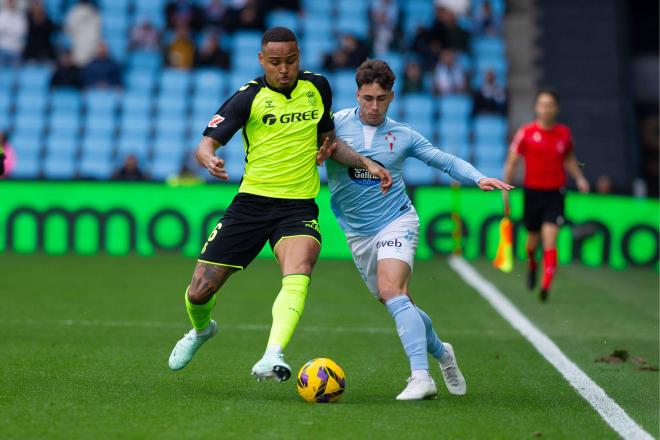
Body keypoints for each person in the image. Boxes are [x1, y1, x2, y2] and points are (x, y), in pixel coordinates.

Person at [167, 27, 392, 382]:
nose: (283, 69)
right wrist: (209, 158)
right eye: (275, 62)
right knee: (199, 291)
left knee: (299, 269)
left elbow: (328, 138)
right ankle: (201, 330)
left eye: (290, 61)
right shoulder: (247, 98)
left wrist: (362, 161)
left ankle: (273, 354)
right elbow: (206, 143)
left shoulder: (318, 87)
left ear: (298, 57)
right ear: (262, 60)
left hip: (298, 207)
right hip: (251, 205)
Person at [325, 59, 512, 400]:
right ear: (357, 94)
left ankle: (420, 377)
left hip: (397, 219)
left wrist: (477, 177)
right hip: (357, 233)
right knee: (400, 302)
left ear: (392, 97)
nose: (374, 106)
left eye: (381, 98)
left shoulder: (403, 135)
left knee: (392, 290)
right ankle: (443, 353)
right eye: (368, 98)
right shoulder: (334, 125)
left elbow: (444, 160)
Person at [502, 89, 589, 302]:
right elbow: (512, 161)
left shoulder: (564, 134)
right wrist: (505, 187)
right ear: (536, 107)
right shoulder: (526, 133)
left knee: (551, 239)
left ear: (556, 108)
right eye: (542, 104)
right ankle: (532, 264)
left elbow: (569, 158)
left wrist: (579, 177)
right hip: (532, 193)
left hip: (555, 194)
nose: (546, 109)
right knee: (532, 241)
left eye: (550, 105)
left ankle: (545, 286)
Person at [64, 0, 101, 67]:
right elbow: (67, 31)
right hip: (77, 56)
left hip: (91, 57)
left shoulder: (95, 13)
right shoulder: (73, 12)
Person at [0, 0, 27, 66]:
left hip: (15, 49)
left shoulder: (20, 16)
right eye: (10, 2)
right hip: (2, 47)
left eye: (12, 1)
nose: (11, 3)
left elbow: (21, 32)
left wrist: (7, 30)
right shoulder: (2, 14)